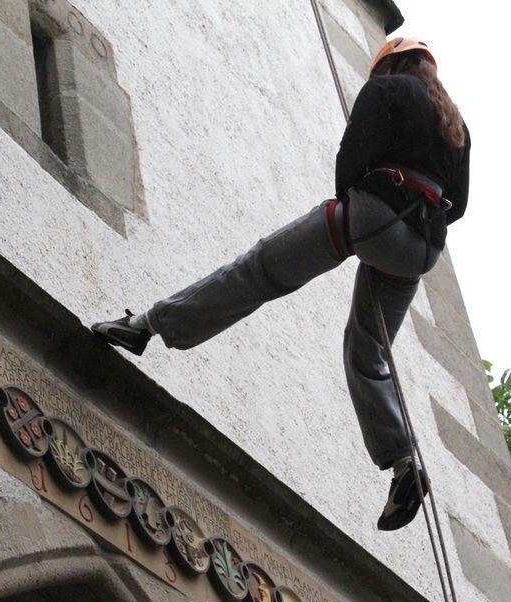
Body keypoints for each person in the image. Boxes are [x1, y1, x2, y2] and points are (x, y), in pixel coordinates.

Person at [91, 37, 470, 531]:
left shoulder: (388, 90)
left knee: (258, 272)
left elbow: (352, 156)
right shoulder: (457, 125)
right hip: (420, 251)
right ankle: (403, 464)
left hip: (373, 215)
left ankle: (145, 326)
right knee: (368, 352)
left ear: (390, 66)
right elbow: (457, 205)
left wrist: (358, 204)